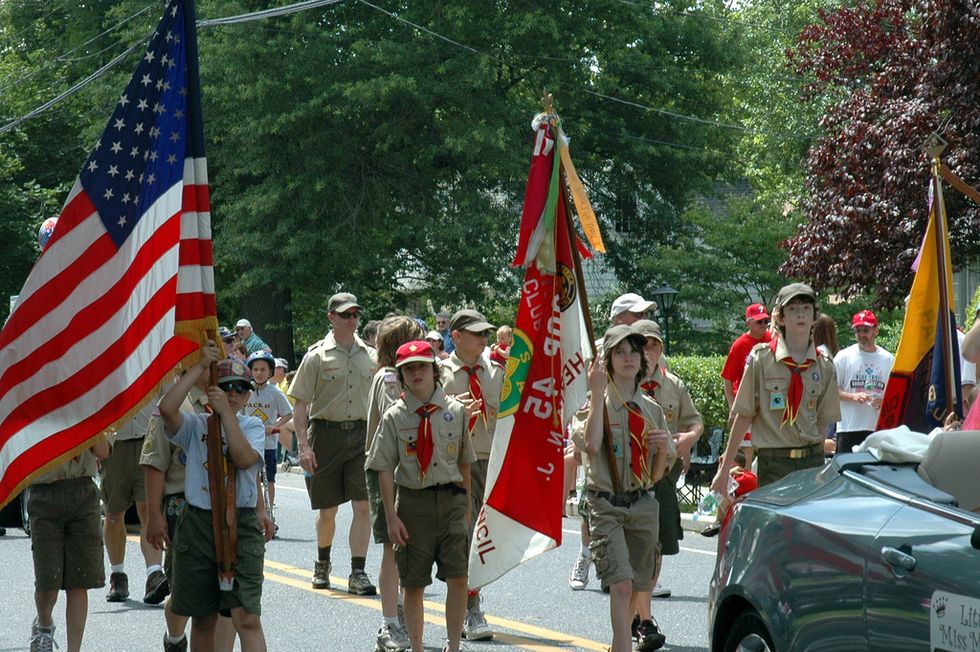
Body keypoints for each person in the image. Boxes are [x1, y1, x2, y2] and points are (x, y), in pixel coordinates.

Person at [366, 340, 476, 652]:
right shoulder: (395, 417)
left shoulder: (455, 411)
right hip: (413, 504)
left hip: (452, 500)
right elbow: (384, 469)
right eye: (409, 369)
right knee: (413, 584)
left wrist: (466, 506)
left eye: (422, 366)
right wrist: (391, 517)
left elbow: (465, 461)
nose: (417, 373)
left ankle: (453, 645)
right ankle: (416, 646)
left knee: (458, 578)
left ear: (434, 370)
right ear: (400, 376)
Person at [158, 348, 268, 652]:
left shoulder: (251, 426)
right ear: (212, 390)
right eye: (227, 386)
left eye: (241, 388)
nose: (234, 393)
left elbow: (245, 459)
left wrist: (226, 416)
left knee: (246, 617)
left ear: (247, 396)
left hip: (240, 524)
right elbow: (167, 410)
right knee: (203, 618)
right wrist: (200, 367)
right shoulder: (195, 425)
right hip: (198, 523)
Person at [583, 325, 674, 652]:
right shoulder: (597, 405)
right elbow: (592, 445)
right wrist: (595, 393)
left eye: (633, 351)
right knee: (620, 585)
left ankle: (617, 642)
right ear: (606, 361)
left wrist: (662, 449)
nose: (628, 358)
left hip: (643, 505)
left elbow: (656, 475)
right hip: (607, 505)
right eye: (619, 352)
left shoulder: (651, 410)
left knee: (638, 584)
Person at [712, 283, 841, 493]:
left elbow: (823, 420)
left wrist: (817, 462)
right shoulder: (761, 359)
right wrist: (725, 468)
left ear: (815, 317)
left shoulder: (824, 364)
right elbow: (743, 415)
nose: (801, 314)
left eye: (806, 308)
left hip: (811, 462)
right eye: (793, 309)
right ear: (780, 318)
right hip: (774, 463)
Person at [289, 292, 378, 594]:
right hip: (325, 435)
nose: (352, 319)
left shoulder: (371, 355)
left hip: (362, 436)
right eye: (345, 314)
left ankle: (358, 571)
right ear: (331, 318)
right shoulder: (316, 356)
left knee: (363, 505)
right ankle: (322, 563)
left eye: (355, 314)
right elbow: (300, 405)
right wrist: (303, 445)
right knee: (328, 510)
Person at [438, 309, 501, 641]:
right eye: (477, 334)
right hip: (449, 463)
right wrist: (448, 405)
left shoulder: (497, 372)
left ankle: (471, 607)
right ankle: (408, 608)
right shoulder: (438, 373)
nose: (484, 339)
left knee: (477, 536)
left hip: (486, 462)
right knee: (450, 534)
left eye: (486, 334)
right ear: (457, 337)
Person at [365, 316, 424, 652]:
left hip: (409, 468)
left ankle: (399, 611)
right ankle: (388, 624)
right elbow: (400, 415)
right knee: (392, 544)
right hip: (387, 468)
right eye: (413, 340)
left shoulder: (396, 376)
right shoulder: (388, 378)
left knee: (407, 544)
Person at [632, 320, 703, 600]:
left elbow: (695, 421)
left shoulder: (673, 385)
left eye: (654, 345)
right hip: (631, 470)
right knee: (634, 534)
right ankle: (632, 582)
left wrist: (688, 439)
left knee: (659, 534)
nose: (649, 351)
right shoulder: (623, 383)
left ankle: (648, 586)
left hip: (663, 471)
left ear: (661, 348)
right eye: (643, 345)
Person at [142, 370, 209, 652]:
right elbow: (155, 463)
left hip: (220, 507)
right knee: (182, 594)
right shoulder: (171, 405)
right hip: (182, 506)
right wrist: (154, 516)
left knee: (216, 596)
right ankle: (174, 638)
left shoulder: (227, 398)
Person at [29, 435, 110, 652]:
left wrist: (90, 423)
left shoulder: (86, 405)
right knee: (48, 584)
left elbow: (103, 451)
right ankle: (44, 625)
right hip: (45, 493)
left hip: (83, 492)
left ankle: (74, 649)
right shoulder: (36, 406)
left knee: (79, 581)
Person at [100, 401, 166, 604]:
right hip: (114, 443)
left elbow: (168, 396)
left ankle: (154, 574)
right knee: (114, 514)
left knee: (148, 508)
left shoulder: (151, 367)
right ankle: (117, 575)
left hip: (149, 438)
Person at [720, 303, 774, 470]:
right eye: (759, 322)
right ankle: (747, 488)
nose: (763, 326)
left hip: (768, 401)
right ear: (748, 323)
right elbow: (727, 379)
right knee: (747, 450)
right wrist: (732, 407)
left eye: (765, 321)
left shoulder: (771, 340)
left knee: (770, 446)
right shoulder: (740, 345)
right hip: (746, 403)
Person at [834, 310, 894, 454]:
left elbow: (894, 393)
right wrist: (852, 396)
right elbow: (830, 390)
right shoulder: (843, 357)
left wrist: (884, 401)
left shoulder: (888, 359)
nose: (861, 335)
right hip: (849, 428)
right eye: (858, 330)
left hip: (877, 428)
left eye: (866, 330)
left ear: (876, 331)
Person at [244, 350, 293, 527]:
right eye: (255, 369)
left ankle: (269, 512)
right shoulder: (245, 390)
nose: (259, 373)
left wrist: (276, 426)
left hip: (268, 444)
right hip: (248, 444)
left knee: (269, 480)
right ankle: (252, 511)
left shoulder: (274, 392)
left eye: (263, 369)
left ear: (270, 372)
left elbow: (288, 413)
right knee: (250, 478)